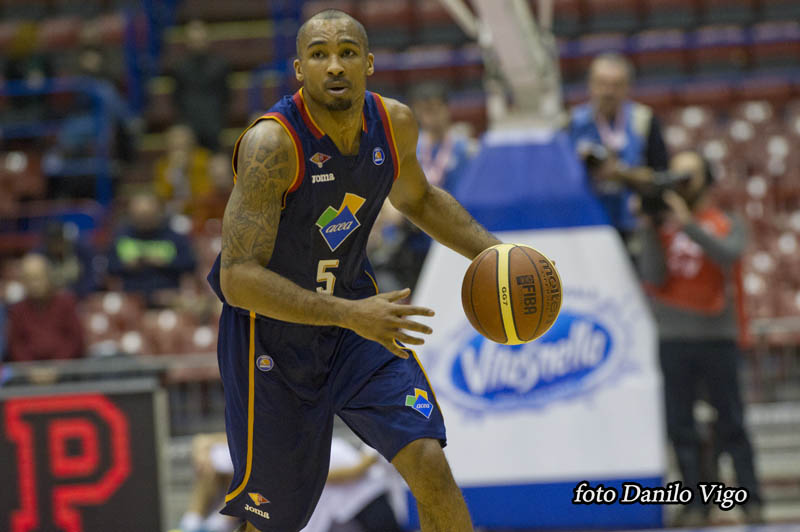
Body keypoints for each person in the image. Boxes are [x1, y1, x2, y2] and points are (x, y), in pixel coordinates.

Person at [206, 9, 515, 532]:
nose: (334, 65)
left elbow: (419, 199)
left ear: (368, 63)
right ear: (298, 69)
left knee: (428, 462)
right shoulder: (272, 145)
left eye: (347, 52)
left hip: (357, 326)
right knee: (271, 521)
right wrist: (349, 314)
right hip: (271, 340)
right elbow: (237, 279)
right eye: (319, 54)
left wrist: (499, 256)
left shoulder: (393, 124)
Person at [636, 151, 763, 526]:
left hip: (717, 335)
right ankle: (695, 503)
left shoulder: (728, 222)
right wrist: (649, 226)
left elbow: (727, 255)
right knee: (681, 425)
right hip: (674, 337)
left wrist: (687, 223)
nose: (680, 183)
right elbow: (653, 277)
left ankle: (751, 500)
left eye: (688, 176)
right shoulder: (662, 227)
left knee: (732, 421)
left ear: (706, 179)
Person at [568, 53, 669, 242]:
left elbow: (660, 175)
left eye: (616, 85)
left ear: (627, 87)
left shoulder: (643, 119)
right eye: (602, 83)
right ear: (590, 84)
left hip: (634, 224)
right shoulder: (573, 123)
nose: (608, 92)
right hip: (588, 224)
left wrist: (621, 173)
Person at [107, 192, 197, 305]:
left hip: (167, 293)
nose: (144, 220)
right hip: (131, 295)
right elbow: (110, 267)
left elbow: (189, 264)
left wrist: (164, 262)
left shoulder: (174, 237)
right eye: (139, 215)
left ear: (159, 213)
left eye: (148, 215)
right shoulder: (122, 237)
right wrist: (128, 265)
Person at [7, 254, 85, 363]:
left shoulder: (66, 303)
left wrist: (57, 365)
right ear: (23, 282)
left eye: (38, 278)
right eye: (29, 279)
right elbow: (15, 344)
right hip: (27, 370)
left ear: (48, 277)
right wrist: (31, 368)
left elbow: (75, 340)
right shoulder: (17, 310)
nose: (34, 284)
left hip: (66, 368)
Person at [169, 19, 231, 151]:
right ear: (187, 42)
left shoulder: (220, 66)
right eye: (194, 40)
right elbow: (176, 97)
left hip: (214, 124)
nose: (197, 43)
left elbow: (226, 95)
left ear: (207, 40)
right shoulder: (180, 68)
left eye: (200, 39)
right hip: (189, 124)